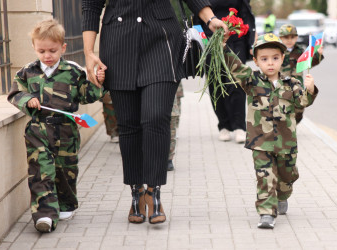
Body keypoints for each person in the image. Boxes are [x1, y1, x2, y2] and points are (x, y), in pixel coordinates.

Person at [82, 0, 228, 224]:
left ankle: (154, 191)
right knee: (129, 125)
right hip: (118, 41)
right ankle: (136, 193)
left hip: (162, 40)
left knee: (156, 118)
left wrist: (209, 18)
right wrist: (89, 52)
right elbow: (91, 6)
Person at [7, 19, 105, 233]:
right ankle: (44, 215)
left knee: (65, 170)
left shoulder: (73, 71)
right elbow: (15, 94)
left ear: (63, 47)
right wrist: (27, 100)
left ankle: (66, 204)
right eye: (41, 51)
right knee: (41, 171)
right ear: (34, 47)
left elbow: (87, 95)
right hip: (38, 130)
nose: (47, 55)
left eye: (52, 50)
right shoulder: (27, 72)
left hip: (66, 132)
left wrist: (98, 81)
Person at [224, 33, 319, 228]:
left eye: (275, 58)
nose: (270, 63)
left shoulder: (291, 83)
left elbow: (303, 102)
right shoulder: (252, 81)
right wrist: (223, 46)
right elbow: (235, 67)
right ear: (256, 60)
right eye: (264, 59)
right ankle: (267, 213)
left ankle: (283, 195)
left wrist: (310, 89)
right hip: (261, 142)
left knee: (288, 176)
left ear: (282, 59)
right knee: (265, 177)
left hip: (286, 143)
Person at [197, 0, 256, 143]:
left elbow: (246, 13)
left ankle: (239, 126)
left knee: (237, 81)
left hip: (236, 39)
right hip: (210, 39)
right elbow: (197, 14)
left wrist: (251, 41)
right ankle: (223, 125)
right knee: (215, 83)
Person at [279, 23, 324, 123]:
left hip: (297, 86)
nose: (289, 40)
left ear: (297, 37)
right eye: (286, 37)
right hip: (282, 86)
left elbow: (309, 62)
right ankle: (284, 128)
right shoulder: (278, 51)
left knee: (299, 110)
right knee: (282, 109)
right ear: (280, 38)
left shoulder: (300, 51)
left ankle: (294, 125)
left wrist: (318, 54)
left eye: (292, 37)